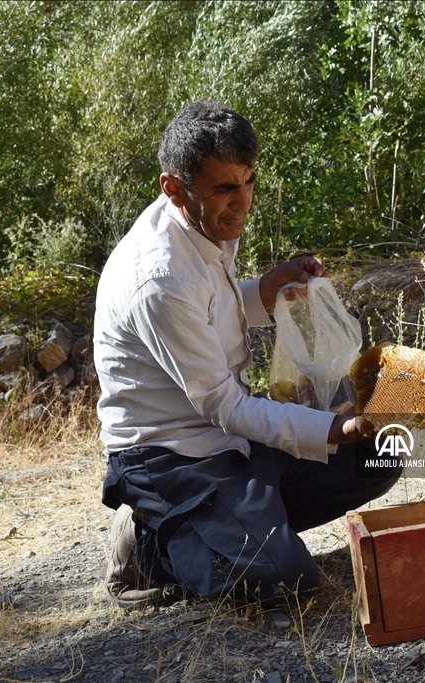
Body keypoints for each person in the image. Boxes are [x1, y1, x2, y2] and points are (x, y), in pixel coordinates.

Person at [95, 101, 400, 608]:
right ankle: (156, 542)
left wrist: (267, 289)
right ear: (174, 187)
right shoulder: (158, 277)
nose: (243, 201)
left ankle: (230, 523)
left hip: (229, 441)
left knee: (378, 453)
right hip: (170, 457)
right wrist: (331, 428)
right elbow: (223, 405)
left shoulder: (198, 225)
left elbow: (210, 309)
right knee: (285, 586)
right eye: (225, 188)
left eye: (249, 181)